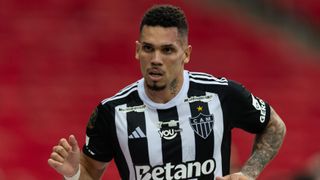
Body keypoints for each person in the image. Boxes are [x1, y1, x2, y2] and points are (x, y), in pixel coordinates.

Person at [48, 4, 286, 180]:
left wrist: (248, 174)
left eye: (168, 50)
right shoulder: (112, 111)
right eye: (149, 49)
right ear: (137, 51)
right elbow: (91, 170)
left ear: (186, 54)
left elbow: (274, 126)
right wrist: (74, 174)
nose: (156, 59)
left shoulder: (220, 94)